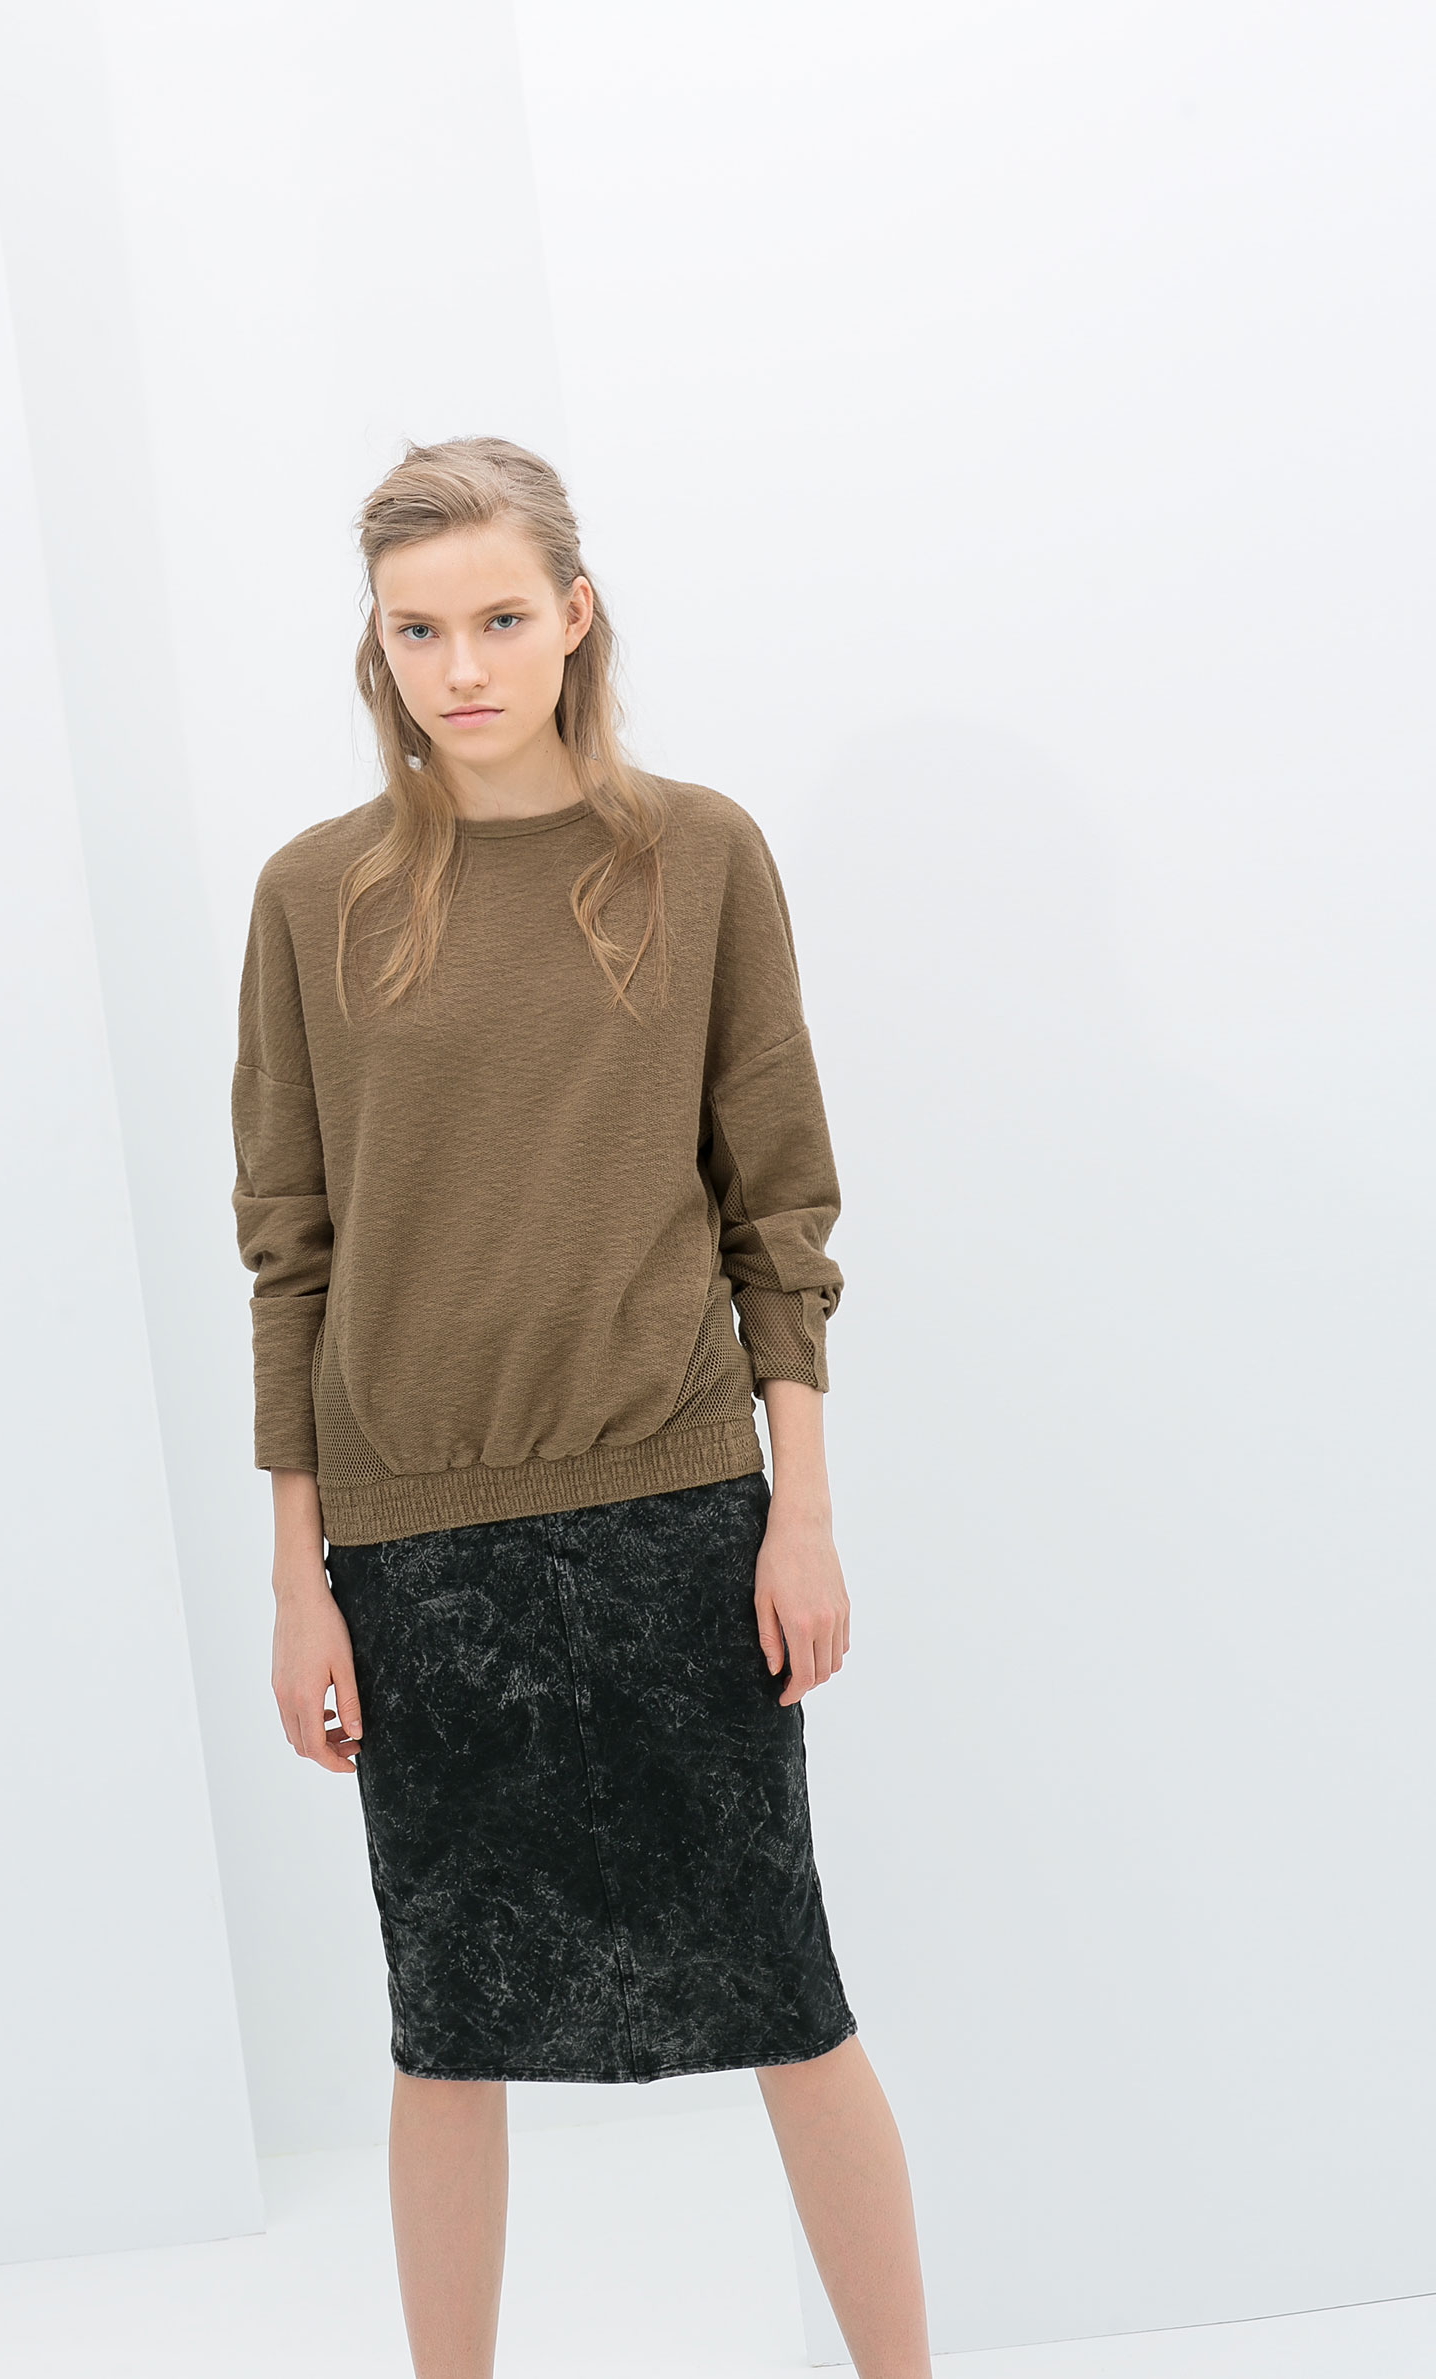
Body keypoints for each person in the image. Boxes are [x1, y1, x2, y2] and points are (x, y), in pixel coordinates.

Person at [230, 435, 933, 2378]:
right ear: (377, 642)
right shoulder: (314, 898)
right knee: (444, 2026)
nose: (460, 666)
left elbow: (778, 1208)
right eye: (417, 629)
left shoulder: (695, 859)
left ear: (575, 615)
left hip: (677, 1520)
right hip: (415, 1548)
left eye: (499, 618)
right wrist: (299, 1581)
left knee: (791, 1995)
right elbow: (288, 1251)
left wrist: (801, 1513)